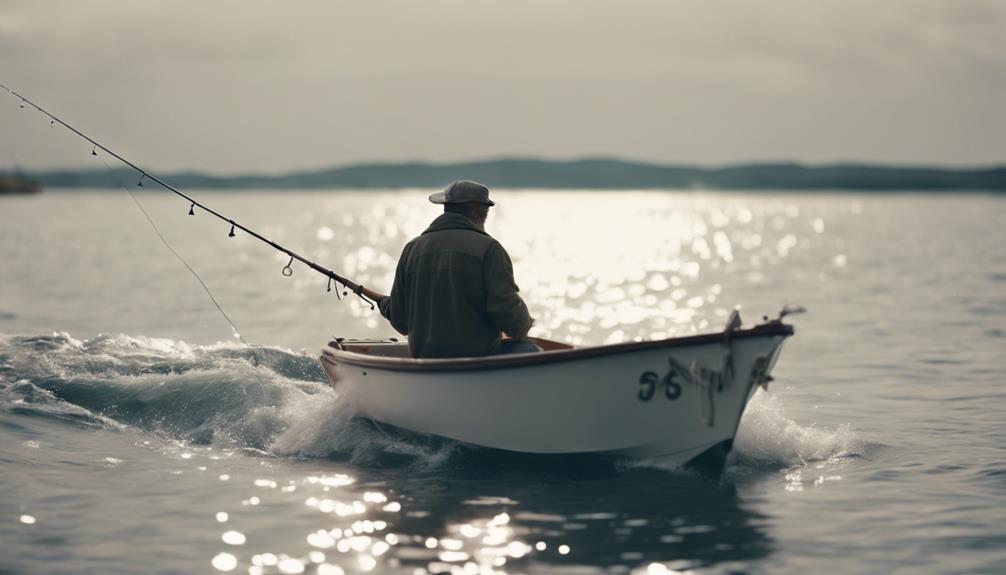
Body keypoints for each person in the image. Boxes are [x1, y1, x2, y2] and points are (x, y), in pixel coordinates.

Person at [373, 180, 539, 358]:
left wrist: (386, 306)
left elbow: (401, 321)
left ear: (447, 208)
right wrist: (526, 322)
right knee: (531, 350)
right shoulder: (489, 249)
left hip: (424, 359)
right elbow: (509, 317)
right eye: (486, 209)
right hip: (475, 359)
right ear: (477, 209)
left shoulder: (412, 249)